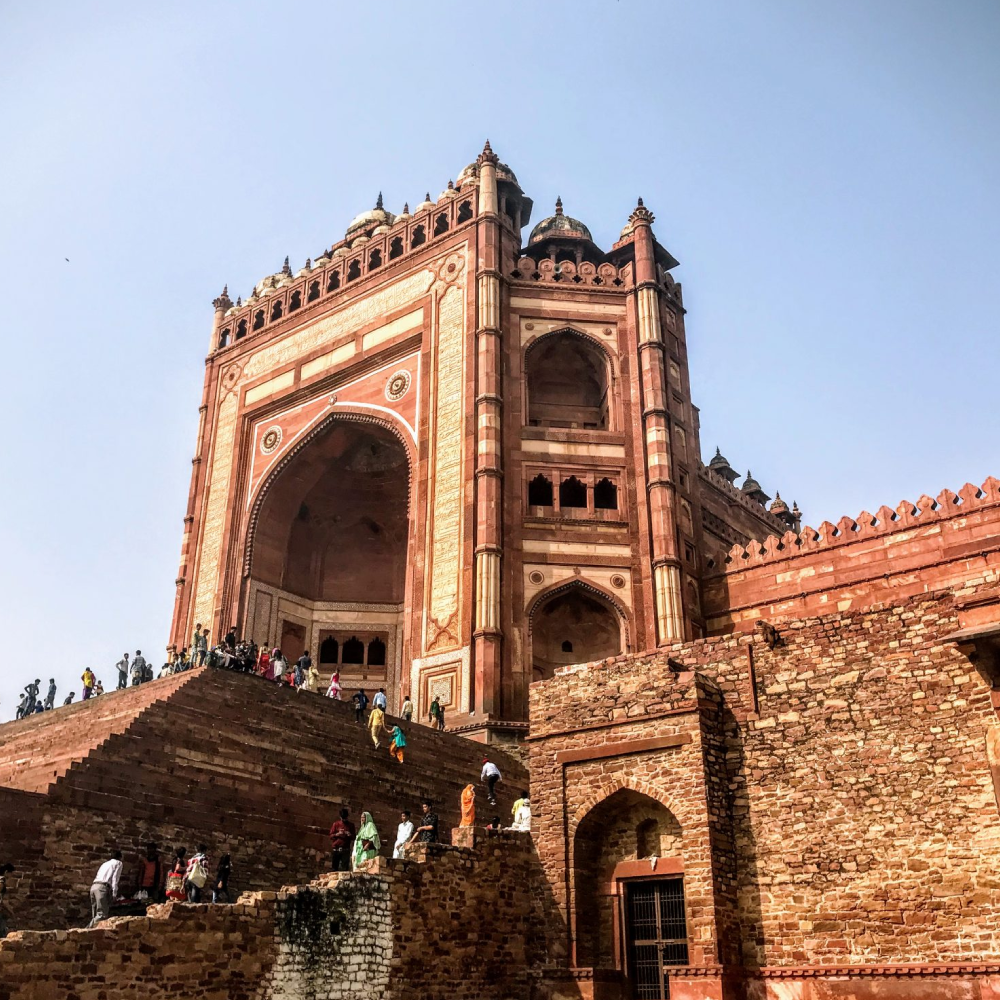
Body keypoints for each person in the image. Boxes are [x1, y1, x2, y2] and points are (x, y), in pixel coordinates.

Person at [88, 850, 123, 927]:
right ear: (120, 857)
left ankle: (92, 933)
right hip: (102, 888)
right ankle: (86, 931)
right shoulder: (118, 863)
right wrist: (114, 894)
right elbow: (115, 878)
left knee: (95, 915)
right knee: (102, 915)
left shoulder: (104, 864)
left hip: (94, 886)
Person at [0, 862, 14, 938]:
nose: (11, 876)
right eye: (10, 874)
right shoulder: (1, 881)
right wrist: (9, 909)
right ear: (6, 872)